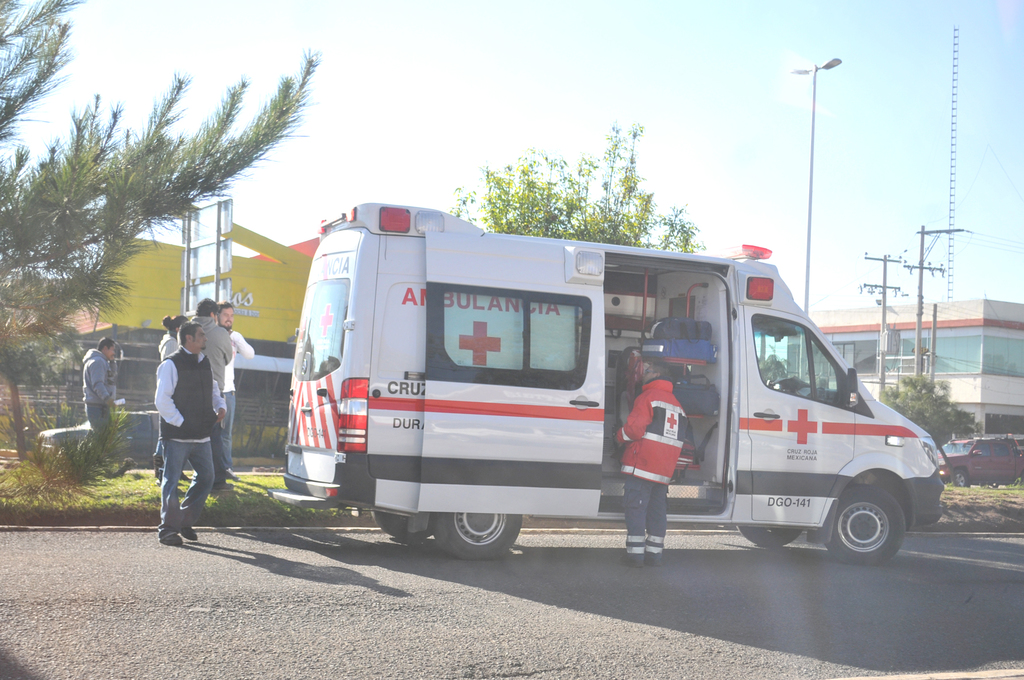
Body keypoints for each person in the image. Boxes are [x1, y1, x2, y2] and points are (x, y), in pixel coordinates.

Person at [154, 321, 226, 546]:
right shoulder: (170, 365)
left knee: (207, 478)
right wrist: (181, 422)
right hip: (177, 437)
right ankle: (167, 530)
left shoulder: (204, 362)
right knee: (171, 482)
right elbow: (161, 400)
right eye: (202, 335)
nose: (205, 339)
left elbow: (213, 388)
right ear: (188, 339)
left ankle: (184, 520)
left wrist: (220, 404)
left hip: (202, 436)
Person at [615, 358, 689, 568]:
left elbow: (634, 430)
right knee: (657, 512)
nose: (642, 374)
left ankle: (635, 556)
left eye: (646, 370)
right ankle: (654, 555)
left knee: (635, 508)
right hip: (663, 471)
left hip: (642, 465)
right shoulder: (677, 404)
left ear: (657, 374)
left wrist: (618, 437)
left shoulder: (647, 397)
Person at [193, 298, 234, 490]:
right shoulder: (220, 333)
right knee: (214, 436)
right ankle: (217, 480)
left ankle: (197, 476)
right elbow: (227, 359)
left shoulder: (186, 331)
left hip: (189, 390)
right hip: (213, 388)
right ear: (213, 315)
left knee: (191, 436)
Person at [218, 301, 255, 481]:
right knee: (208, 434)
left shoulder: (235, 337)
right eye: (225, 315)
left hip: (229, 392)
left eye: (231, 315)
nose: (229, 319)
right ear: (217, 316)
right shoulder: (210, 335)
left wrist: (236, 338)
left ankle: (226, 468)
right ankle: (207, 469)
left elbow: (250, 354)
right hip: (213, 391)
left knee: (226, 435)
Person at [153, 315, 188, 483]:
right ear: (178, 329)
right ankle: (161, 470)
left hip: (170, 392)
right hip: (171, 394)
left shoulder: (169, 340)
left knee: (168, 434)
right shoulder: (172, 344)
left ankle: (170, 470)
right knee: (167, 435)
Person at [82, 337, 117, 429]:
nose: (114, 353)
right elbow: (98, 384)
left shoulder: (102, 361)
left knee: (102, 438)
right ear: (105, 348)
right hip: (98, 408)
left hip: (100, 406)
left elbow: (110, 377)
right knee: (101, 438)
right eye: (112, 350)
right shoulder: (98, 362)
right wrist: (107, 399)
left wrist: (112, 363)